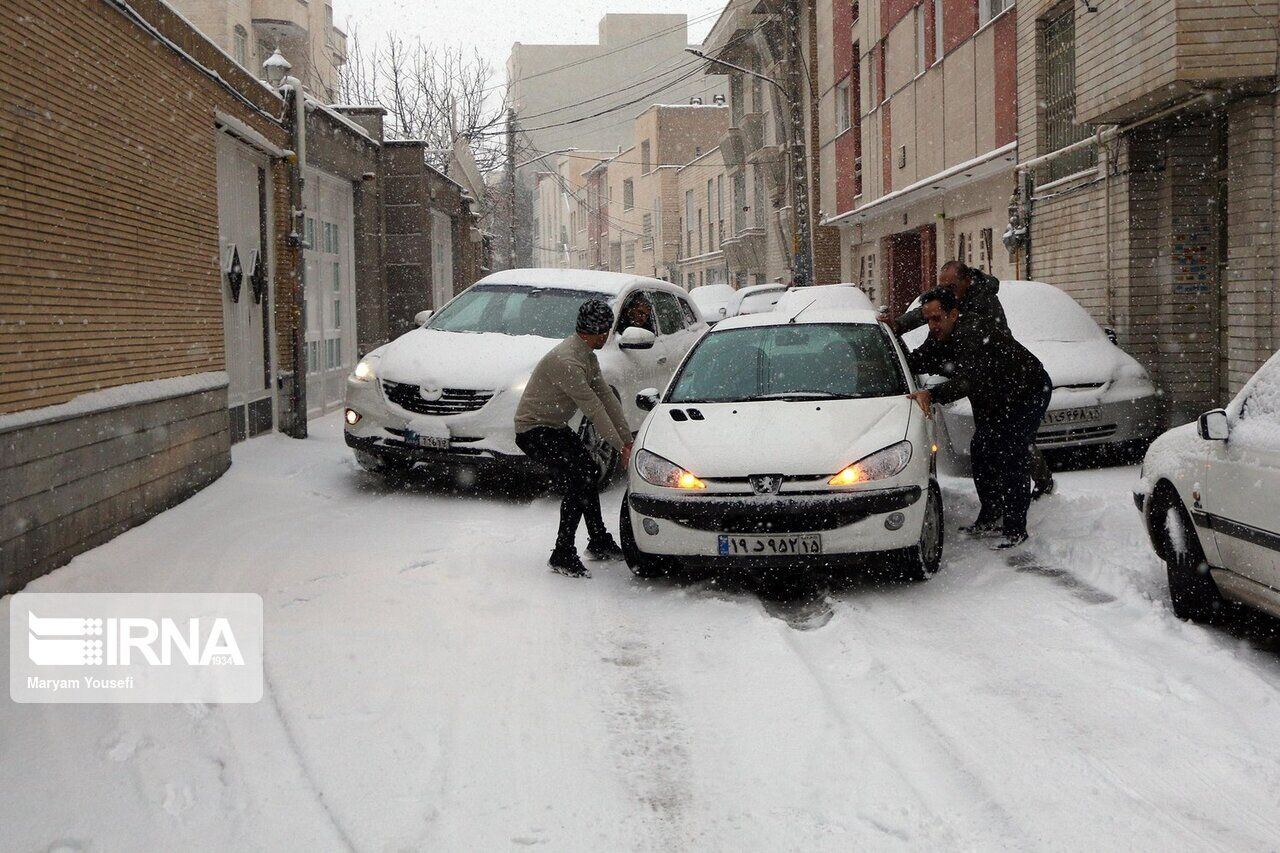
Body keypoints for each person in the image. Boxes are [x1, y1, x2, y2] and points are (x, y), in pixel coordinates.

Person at [881, 261, 1055, 500]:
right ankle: (993, 508)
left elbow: (979, 363)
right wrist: (898, 326)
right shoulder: (946, 311)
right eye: (942, 286)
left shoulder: (982, 306)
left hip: (1014, 382)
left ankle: (1025, 499)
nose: (946, 291)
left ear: (967, 282)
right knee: (986, 443)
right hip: (985, 383)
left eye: (951, 286)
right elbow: (927, 313)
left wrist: (939, 387)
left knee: (1013, 442)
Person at [904, 287, 1052, 549]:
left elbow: (970, 381)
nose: (932, 325)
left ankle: (1015, 529)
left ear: (953, 314)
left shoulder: (973, 332)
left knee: (1012, 452)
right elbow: (921, 359)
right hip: (995, 397)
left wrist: (932, 394)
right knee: (982, 448)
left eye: (936, 318)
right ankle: (991, 513)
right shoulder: (940, 334)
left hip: (1026, 390)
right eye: (927, 319)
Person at [514, 299, 633, 578]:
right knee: (580, 478)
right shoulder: (567, 361)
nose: (608, 335)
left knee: (588, 472)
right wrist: (619, 446)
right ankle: (563, 553)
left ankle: (598, 541)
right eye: (605, 330)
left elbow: (606, 397)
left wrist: (626, 440)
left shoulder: (586, 356)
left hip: (553, 426)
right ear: (595, 330)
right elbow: (593, 408)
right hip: (533, 431)